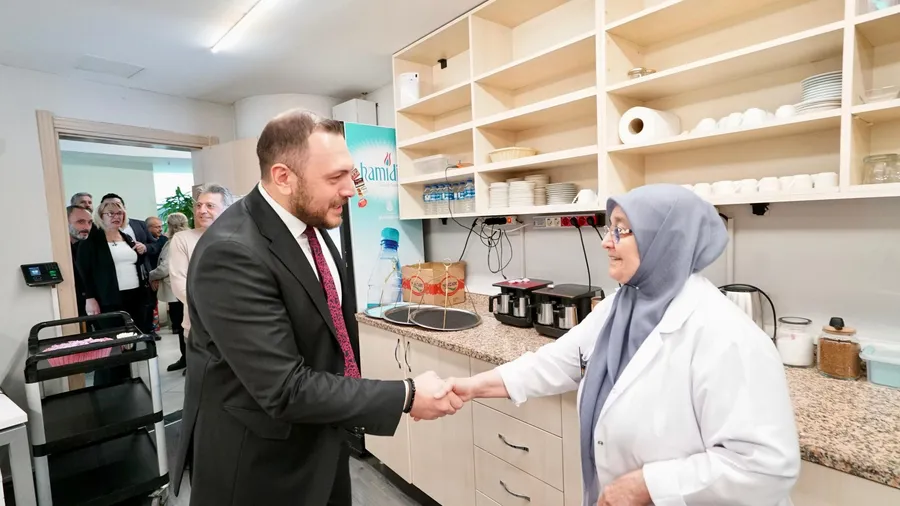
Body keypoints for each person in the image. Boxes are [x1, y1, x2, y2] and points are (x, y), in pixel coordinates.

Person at [436, 184, 801, 506]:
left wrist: (649, 485)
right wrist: (470, 387)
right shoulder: (621, 306)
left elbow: (765, 468)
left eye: (622, 230)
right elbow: (555, 363)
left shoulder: (727, 335)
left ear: (665, 239)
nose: (606, 241)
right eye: (610, 227)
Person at [171, 109, 462, 506]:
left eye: (350, 174)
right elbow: (284, 388)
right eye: (335, 177)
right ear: (283, 177)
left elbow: (328, 330)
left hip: (321, 437)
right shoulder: (231, 252)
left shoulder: (311, 224)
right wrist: (405, 395)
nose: (350, 189)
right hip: (261, 463)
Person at [76, 199, 154, 385]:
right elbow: (84, 273)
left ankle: (125, 383)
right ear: (101, 216)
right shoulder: (92, 241)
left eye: (119, 213)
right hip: (108, 300)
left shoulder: (126, 238)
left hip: (134, 298)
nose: (115, 217)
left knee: (129, 343)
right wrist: (90, 298)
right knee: (111, 346)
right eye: (110, 213)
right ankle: (107, 387)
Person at [165, 183, 233, 372]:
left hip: (236, 327)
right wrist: (215, 309)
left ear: (227, 209)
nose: (202, 210)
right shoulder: (183, 239)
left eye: (210, 206)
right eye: (199, 205)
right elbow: (179, 283)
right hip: (199, 327)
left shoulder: (239, 237)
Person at [149, 213, 189, 371]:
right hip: (187, 289)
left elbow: (165, 267)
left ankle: (187, 360)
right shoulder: (189, 238)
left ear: (170, 225)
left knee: (181, 327)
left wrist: (149, 276)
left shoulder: (174, 242)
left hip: (176, 291)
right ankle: (187, 359)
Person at [67, 205, 93, 317]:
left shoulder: (90, 248)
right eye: (80, 222)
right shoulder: (57, 251)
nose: (87, 227)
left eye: (90, 222)